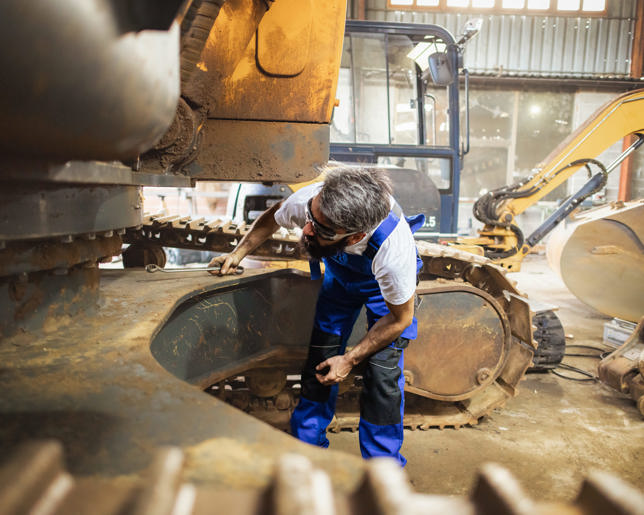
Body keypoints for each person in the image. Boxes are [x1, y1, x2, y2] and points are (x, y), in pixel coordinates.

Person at [209, 166, 423, 466]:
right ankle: (307, 449)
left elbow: (399, 320)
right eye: (310, 220)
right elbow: (274, 216)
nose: (306, 231)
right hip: (340, 278)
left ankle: (382, 467)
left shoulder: (393, 251)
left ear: (355, 237)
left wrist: (349, 360)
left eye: (321, 231)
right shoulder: (314, 204)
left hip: (382, 292)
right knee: (320, 362)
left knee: (381, 377)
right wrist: (237, 253)